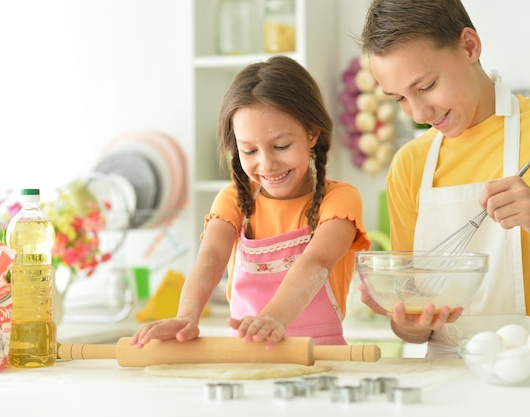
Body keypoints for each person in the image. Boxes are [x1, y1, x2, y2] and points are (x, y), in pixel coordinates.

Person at [358, 0, 530, 358]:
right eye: (399, 98)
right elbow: (414, 324)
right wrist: (404, 321)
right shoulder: (409, 164)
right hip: (444, 383)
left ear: (469, 46)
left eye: (427, 86)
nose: (419, 113)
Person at [131, 56, 370, 349]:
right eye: (249, 150)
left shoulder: (339, 199)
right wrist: (187, 316)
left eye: (281, 146)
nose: (267, 164)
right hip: (245, 358)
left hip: (319, 358)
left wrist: (272, 319)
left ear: (312, 133)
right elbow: (211, 258)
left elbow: (316, 263)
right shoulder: (234, 200)